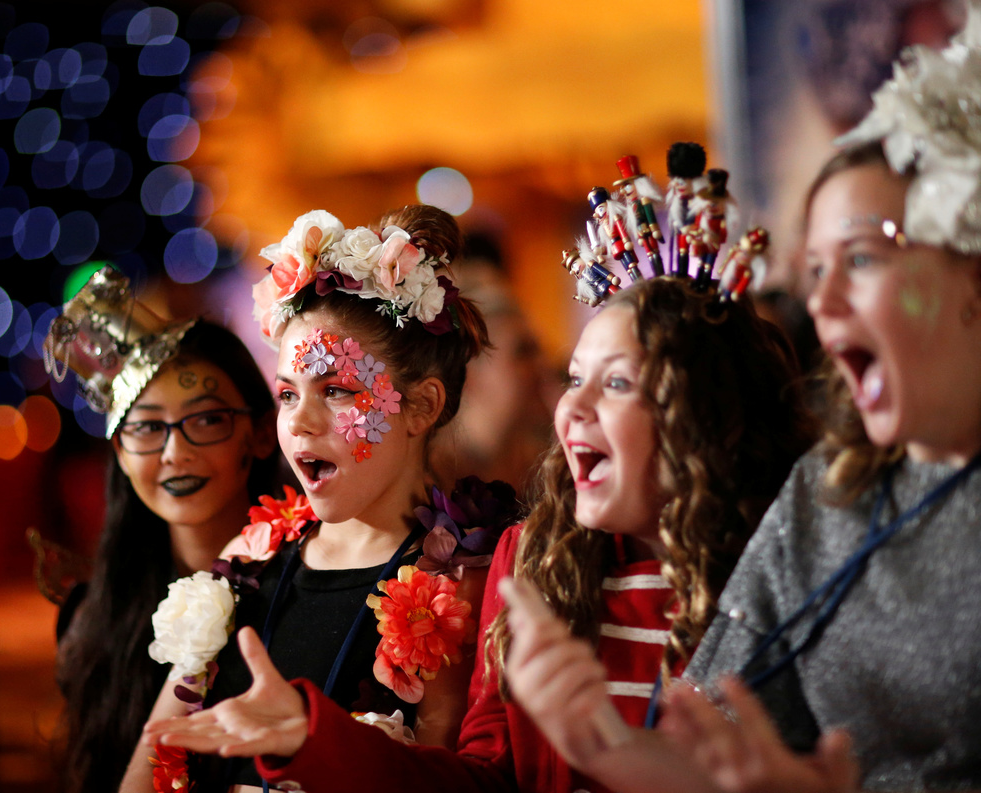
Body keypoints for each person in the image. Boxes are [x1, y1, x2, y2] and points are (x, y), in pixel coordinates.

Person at [503, 13, 981, 792]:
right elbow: (711, 752)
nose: (822, 301)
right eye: (814, 267)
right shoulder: (825, 494)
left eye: (861, 258)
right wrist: (603, 743)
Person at [142, 269, 815, 793]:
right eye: (573, 378)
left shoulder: (794, 576)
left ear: (706, 412)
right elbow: (487, 783)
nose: (569, 406)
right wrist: (311, 737)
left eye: (614, 383)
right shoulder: (537, 563)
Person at [129, 204, 513, 792]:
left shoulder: (464, 586)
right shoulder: (251, 557)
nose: (299, 422)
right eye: (287, 394)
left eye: (335, 390)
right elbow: (150, 766)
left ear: (422, 406)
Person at [45, 267, 279, 793]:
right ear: (120, 452)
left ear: (263, 433)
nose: (175, 452)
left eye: (206, 419)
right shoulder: (92, 621)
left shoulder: (305, 591)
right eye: (148, 427)